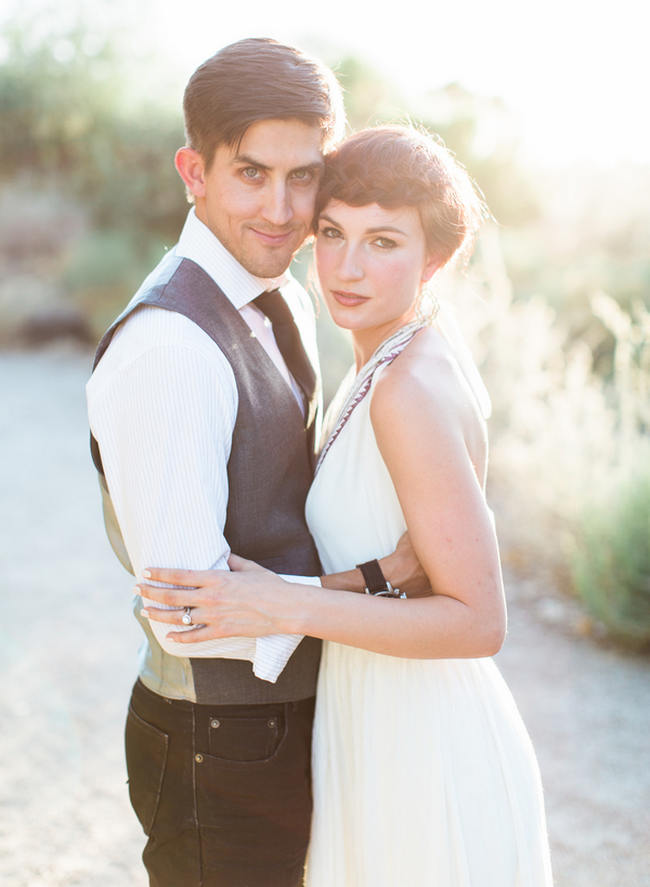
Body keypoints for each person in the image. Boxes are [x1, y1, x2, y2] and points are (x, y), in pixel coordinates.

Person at [140, 125, 554, 885]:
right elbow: (410, 567)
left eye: (385, 241)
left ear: (437, 258)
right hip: (377, 714)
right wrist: (350, 581)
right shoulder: (392, 355)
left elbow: (478, 620)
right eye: (332, 232)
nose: (349, 266)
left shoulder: (405, 391)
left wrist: (280, 606)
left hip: (424, 741)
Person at [86, 43, 425, 887]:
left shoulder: (286, 298)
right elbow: (187, 613)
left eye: (304, 176)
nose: (281, 209)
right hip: (218, 741)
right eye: (251, 173)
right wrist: (373, 584)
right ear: (193, 171)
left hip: (281, 721)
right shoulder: (170, 345)